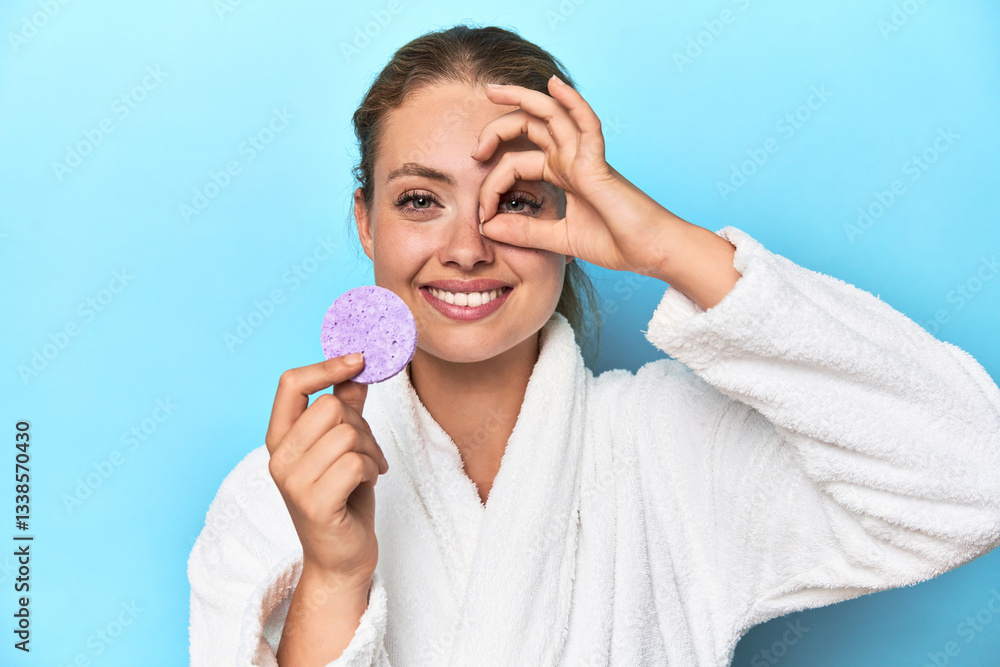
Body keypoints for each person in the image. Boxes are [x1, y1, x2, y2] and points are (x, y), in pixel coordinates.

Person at [188, 24, 1000, 666]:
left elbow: (976, 476)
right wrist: (335, 577)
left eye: (516, 198)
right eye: (421, 199)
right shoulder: (275, 496)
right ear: (367, 221)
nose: (467, 247)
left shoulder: (673, 448)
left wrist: (663, 246)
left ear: (573, 219)